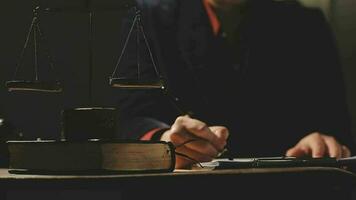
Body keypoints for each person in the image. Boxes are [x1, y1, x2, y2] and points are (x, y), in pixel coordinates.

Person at [116, 0, 355, 169]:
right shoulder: (149, 17)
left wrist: (321, 145)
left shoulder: (305, 25)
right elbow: (132, 116)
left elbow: (335, 126)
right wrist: (165, 140)